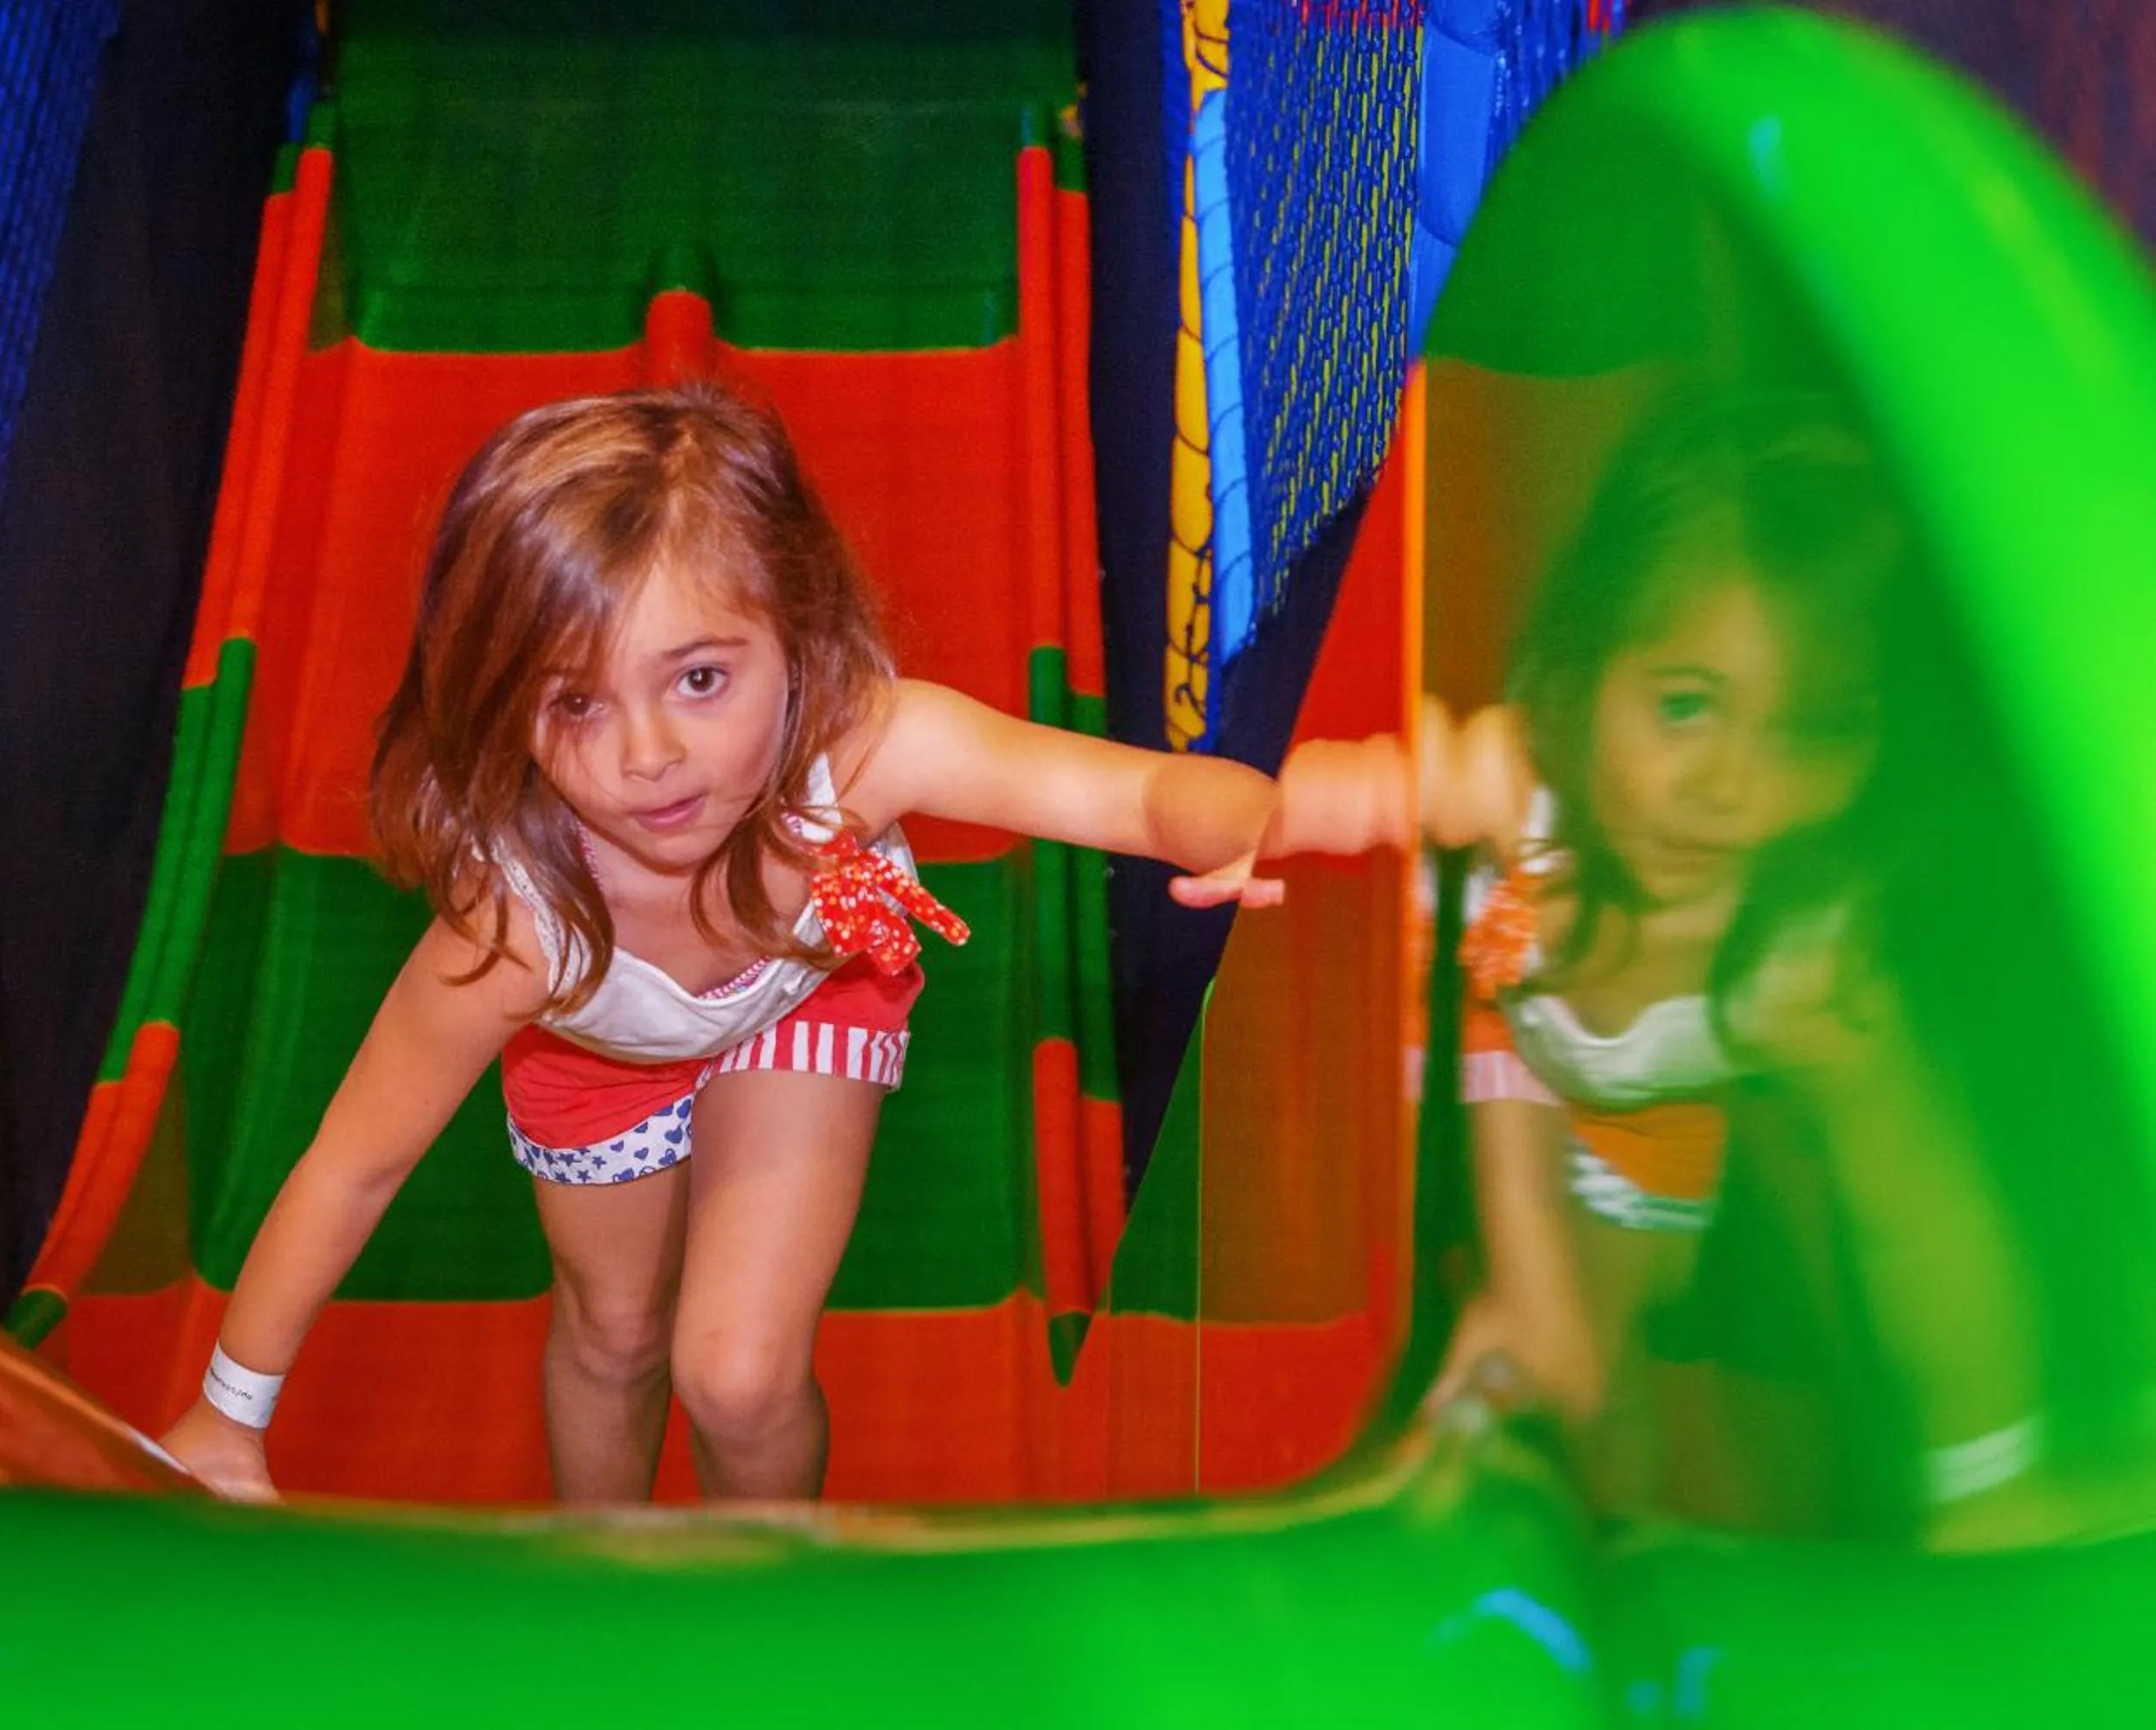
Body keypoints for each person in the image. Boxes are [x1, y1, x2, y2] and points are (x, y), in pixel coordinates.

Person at [158, 381, 1404, 1504]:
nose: (648, 757)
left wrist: (1269, 823)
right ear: (506, 707)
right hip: (601, 1051)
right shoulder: (514, 930)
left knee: (739, 1374)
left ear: (796, 639)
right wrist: (227, 1413)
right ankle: (617, 1594)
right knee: (613, 1336)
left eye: (700, 679)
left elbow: (1138, 797)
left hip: (807, 990)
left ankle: (780, 1588)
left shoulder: (861, 747)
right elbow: (353, 1164)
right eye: (576, 701)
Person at [1412, 395, 1902, 1498]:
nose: (1728, 790)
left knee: (1603, 1390)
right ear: (1582, 672)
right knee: (1513, 1343)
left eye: (1813, 728)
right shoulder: (1514, 808)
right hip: (1441, 1084)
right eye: (1685, 706)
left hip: (1649, 1147)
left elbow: (1901, 1222)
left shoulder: (1811, 951)